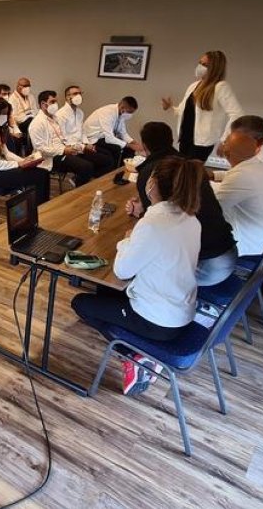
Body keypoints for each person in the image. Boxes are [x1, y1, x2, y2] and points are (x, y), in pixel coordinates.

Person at [72, 156, 207, 395]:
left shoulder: (154, 221)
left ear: (152, 184)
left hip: (156, 320)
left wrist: (126, 241)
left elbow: (122, 270)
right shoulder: (191, 218)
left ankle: (137, 356)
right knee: (106, 290)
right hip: (181, 311)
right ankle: (138, 348)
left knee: (81, 303)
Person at [127, 122, 238, 287]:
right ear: (172, 140)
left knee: (137, 262)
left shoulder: (151, 172)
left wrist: (140, 213)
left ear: (144, 145)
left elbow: (157, 226)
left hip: (204, 265)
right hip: (229, 252)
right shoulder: (191, 165)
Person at [212, 131, 263, 260]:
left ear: (227, 153)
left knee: (200, 222)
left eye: (224, 142)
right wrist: (213, 176)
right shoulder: (257, 166)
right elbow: (233, 177)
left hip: (252, 246)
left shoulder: (241, 175)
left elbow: (213, 208)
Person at [162, 50, 244, 161]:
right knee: (182, 171)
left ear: (214, 68)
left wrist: (225, 140)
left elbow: (237, 114)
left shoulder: (220, 87)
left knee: (190, 173)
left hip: (202, 142)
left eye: (205, 65)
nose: (200, 66)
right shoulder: (194, 85)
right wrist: (170, 108)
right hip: (185, 138)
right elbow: (184, 111)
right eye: (200, 62)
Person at [28, 90, 96, 188]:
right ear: (43, 104)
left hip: (63, 150)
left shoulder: (55, 118)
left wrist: (80, 146)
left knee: (92, 159)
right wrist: (63, 150)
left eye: (56, 102)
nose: (55, 105)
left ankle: (81, 187)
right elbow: (41, 149)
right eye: (52, 102)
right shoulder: (37, 123)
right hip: (50, 157)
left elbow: (64, 138)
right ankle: (79, 194)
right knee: (86, 167)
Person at [56, 85, 116, 175]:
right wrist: (83, 146)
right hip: (70, 149)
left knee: (108, 157)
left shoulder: (80, 112)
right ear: (68, 97)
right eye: (75, 93)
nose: (79, 96)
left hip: (81, 146)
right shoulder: (60, 115)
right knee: (90, 165)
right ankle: (84, 183)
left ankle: (92, 180)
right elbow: (64, 138)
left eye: (80, 93)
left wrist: (88, 143)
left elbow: (82, 131)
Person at [83, 96, 141, 164]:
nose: (130, 115)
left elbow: (122, 133)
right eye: (130, 112)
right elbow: (109, 138)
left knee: (130, 150)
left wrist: (134, 143)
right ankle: (113, 172)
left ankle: (122, 172)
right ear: (122, 107)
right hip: (93, 138)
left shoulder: (121, 114)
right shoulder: (107, 112)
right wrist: (129, 145)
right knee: (117, 149)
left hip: (103, 137)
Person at [0, 83, 28, 155]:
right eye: (3, 94)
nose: (6, 96)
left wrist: (17, 132)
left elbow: (11, 121)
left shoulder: (8, 105)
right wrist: (11, 134)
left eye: (8, 94)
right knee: (13, 140)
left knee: (23, 136)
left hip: (7, 130)